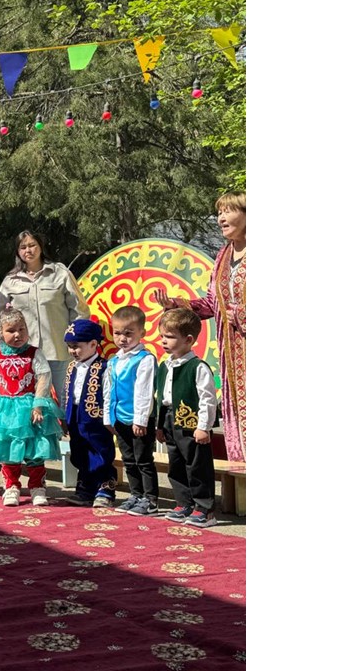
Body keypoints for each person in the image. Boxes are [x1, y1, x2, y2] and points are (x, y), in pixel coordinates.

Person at [154, 191, 246, 462]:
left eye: (229, 211)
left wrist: (240, 313)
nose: (221, 218)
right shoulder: (223, 255)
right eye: (219, 212)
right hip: (232, 355)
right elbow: (211, 304)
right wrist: (174, 304)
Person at [0, 231, 90, 401]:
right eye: (23, 247)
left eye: (32, 245)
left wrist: (75, 341)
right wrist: (3, 344)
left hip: (58, 350)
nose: (28, 250)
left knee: (65, 400)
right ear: (18, 252)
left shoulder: (60, 273)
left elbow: (79, 310)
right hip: (24, 354)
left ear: (41, 247)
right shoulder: (11, 280)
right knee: (29, 401)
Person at [0, 309, 63, 506]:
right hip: (5, 410)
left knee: (35, 450)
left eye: (21, 329)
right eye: (11, 331)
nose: (17, 334)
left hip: (29, 408)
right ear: (1, 333)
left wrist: (38, 405)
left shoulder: (34, 353)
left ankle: (37, 487)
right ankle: (11, 487)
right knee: (9, 450)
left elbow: (43, 377)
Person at [153, 309, 220, 528]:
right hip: (170, 420)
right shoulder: (165, 365)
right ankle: (184, 503)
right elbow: (162, 397)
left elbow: (207, 399)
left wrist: (204, 427)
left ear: (189, 340)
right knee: (176, 465)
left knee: (197, 466)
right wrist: (160, 426)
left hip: (192, 424)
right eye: (162, 336)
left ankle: (205, 509)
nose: (164, 341)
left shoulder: (197, 367)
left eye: (170, 336)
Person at [104, 305, 160, 516]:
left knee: (143, 460)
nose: (122, 338)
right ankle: (136, 495)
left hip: (138, 420)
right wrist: (108, 417)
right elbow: (108, 390)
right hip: (119, 418)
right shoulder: (114, 360)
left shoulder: (144, 359)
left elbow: (144, 392)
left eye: (128, 333)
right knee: (128, 459)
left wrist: (141, 420)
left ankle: (150, 499)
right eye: (117, 333)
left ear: (142, 333)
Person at [61, 320, 117, 508]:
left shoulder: (104, 367)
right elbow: (66, 392)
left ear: (93, 344)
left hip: (96, 418)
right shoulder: (72, 366)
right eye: (70, 347)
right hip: (75, 415)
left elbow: (108, 394)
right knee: (79, 450)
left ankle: (105, 488)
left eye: (76, 346)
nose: (72, 351)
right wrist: (64, 415)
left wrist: (108, 418)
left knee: (100, 450)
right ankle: (85, 488)